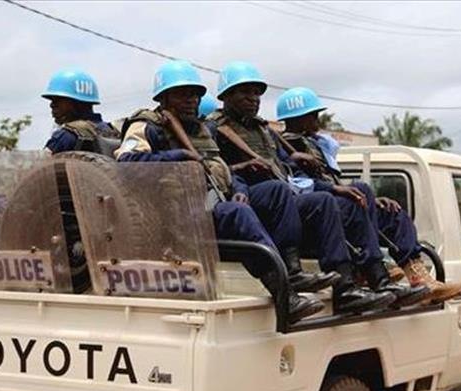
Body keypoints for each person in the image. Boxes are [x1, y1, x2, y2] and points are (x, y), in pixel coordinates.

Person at [113, 60, 334, 322]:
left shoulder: (201, 129)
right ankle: (284, 295)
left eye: (195, 94)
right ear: (164, 97)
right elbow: (125, 164)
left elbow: (222, 168)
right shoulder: (147, 125)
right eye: (182, 94)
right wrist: (176, 156)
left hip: (211, 203)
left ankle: (293, 270)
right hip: (175, 216)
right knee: (237, 213)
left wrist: (239, 188)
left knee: (274, 190)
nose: (191, 100)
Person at [207, 62, 427, 309]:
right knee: (309, 197)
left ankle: (369, 280)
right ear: (225, 96)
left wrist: (309, 171)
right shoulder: (214, 128)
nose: (253, 98)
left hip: (285, 193)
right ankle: (293, 270)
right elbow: (213, 169)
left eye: (256, 92)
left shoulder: (263, 130)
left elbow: (286, 167)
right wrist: (243, 168)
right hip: (253, 200)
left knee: (353, 196)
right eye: (244, 92)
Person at [277, 87, 461, 303]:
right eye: (312, 115)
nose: (317, 120)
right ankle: (374, 271)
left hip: (337, 202)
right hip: (317, 212)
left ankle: (416, 274)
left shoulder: (317, 144)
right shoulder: (284, 147)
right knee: (360, 190)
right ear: (297, 119)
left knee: (391, 212)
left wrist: (365, 198)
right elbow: (296, 186)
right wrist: (339, 190)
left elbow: (334, 180)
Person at [42, 69, 121, 156]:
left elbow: (39, 166)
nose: (52, 105)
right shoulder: (112, 131)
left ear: (77, 102)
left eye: (58, 100)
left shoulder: (66, 135)